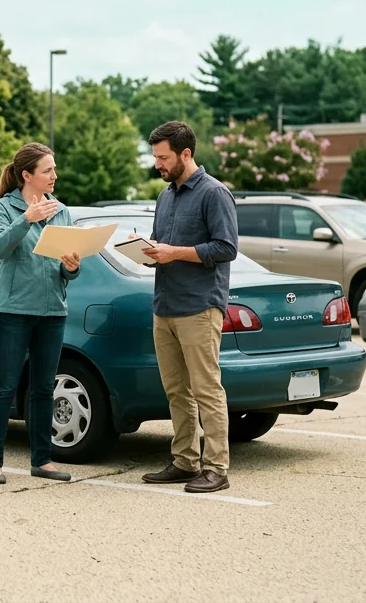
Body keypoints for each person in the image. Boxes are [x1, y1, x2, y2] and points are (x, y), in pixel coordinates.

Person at [139, 121, 239, 494]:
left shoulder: (215, 193)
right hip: (164, 305)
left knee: (206, 389)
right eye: (155, 157)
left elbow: (226, 248)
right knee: (176, 391)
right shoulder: (165, 196)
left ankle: (216, 468)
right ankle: (184, 461)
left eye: (163, 158)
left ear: (186, 153)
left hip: (199, 307)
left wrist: (174, 253)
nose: (157, 165)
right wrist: (148, 252)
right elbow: (163, 246)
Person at [0, 142, 82, 485]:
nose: (54, 176)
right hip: (12, 310)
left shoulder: (62, 211)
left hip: (52, 310)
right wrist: (26, 219)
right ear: (27, 175)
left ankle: (42, 460)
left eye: (54, 169)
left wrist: (71, 266)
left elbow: (65, 268)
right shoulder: (4, 208)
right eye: (47, 170)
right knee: (4, 386)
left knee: (43, 387)